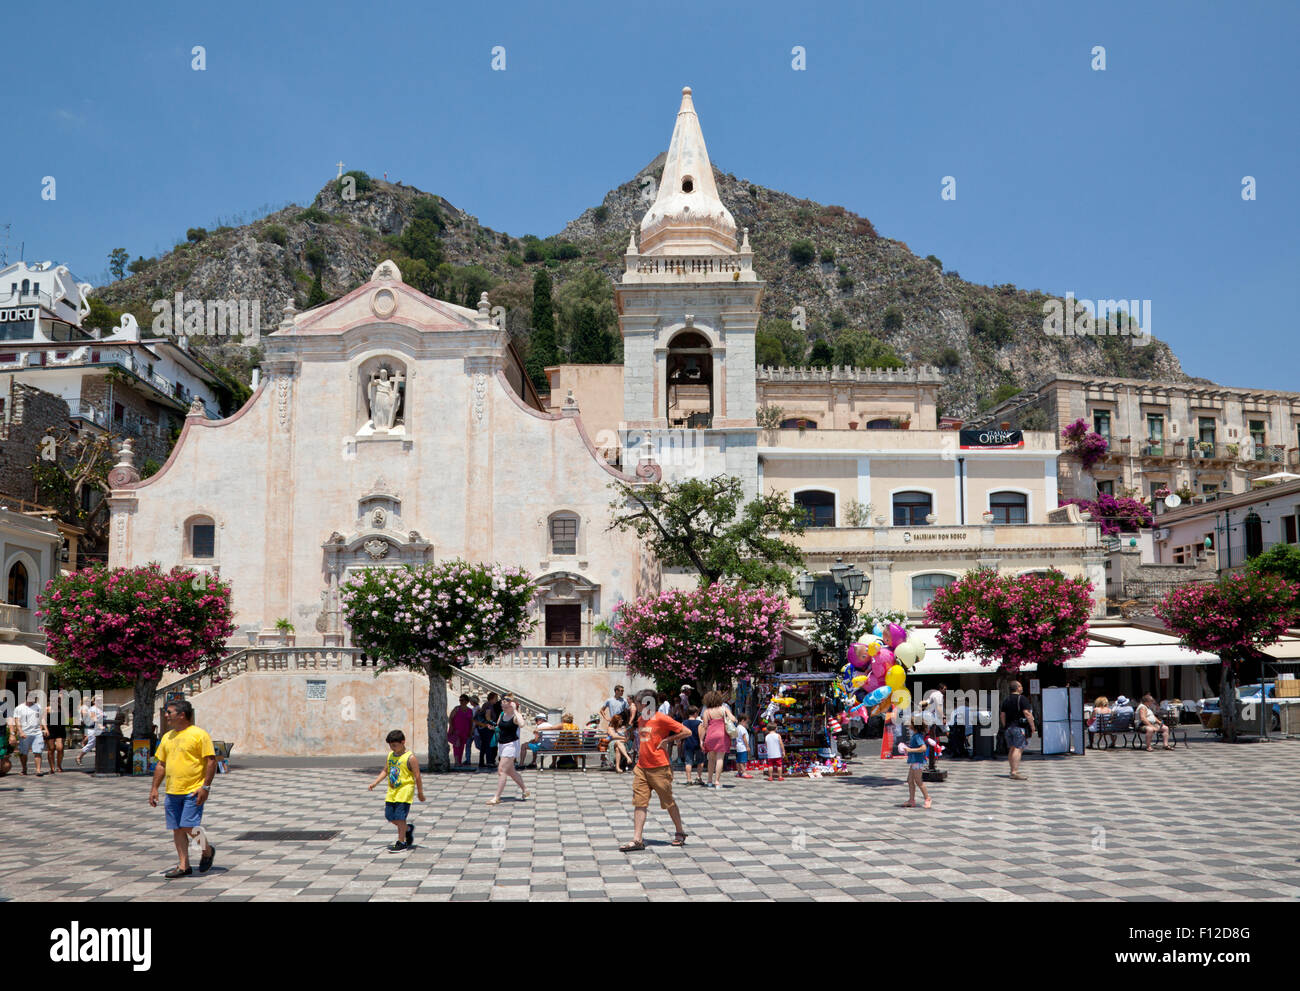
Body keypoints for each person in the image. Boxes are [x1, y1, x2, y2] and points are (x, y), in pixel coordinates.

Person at [148, 700, 216, 878]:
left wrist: (205, 787)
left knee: (188, 825)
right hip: (172, 791)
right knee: (177, 828)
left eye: (169, 712)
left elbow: (211, 761)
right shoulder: (167, 737)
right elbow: (161, 764)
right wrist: (154, 788)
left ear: (181, 715)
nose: (165, 715)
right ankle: (184, 865)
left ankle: (207, 850)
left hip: (193, 790)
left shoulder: (199, 735)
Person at [619, 705, 692, 852]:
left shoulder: (661, 718)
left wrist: (668, 739)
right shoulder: (640, 719)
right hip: (641, 767)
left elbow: (687, 731)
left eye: (637, 703)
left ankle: (680, 832)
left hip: (659, 767)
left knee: (668, 801)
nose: (635, 706)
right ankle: (637, 839)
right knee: (639, 802)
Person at [368, 729, 424, 850]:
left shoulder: (410, 758)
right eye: (390, 746)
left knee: (400, 817)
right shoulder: (390, 756)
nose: (392, 748)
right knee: (389, 815)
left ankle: (401, 842)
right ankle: (407, 829)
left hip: (405, 791)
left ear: (403, 742)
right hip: (392, 791)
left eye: (395, 745)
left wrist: (420, 792)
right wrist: (375, 782)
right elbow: (386, 770)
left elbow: (417, 775)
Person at [488, 697, 529, 804]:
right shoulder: (502, 714)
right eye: (502, 705)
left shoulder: (515, 717)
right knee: (511, 771)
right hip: (502, 744)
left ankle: (497, 797)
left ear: (511, 705)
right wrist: (493, 728)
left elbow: (522, 724)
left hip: (511, 745)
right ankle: (525, 789)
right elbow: (498, 727)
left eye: (505, 705)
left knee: (501, 770)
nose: (503, 707)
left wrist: (515, 710)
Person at [999, 681, 1036, 781]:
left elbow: (1002, 715)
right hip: (1019, 727)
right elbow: (1027, 713)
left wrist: (1005, 726)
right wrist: (1032, 726)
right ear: (1018, 688)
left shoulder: (1006, 700)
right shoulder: (1022, 699)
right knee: (1018, 749)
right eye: (1021, 686)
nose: (1022, 688)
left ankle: (1012, 770)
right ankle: (1014, 772)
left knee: (1012, 749)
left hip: (1008, 728)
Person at [699, 691, 734, 788]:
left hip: (711, 735)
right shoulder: (724, 709)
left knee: (711, 758)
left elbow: (704, 726)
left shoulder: (707, 711)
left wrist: (701, 740)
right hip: (722, 735)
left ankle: (709, 780)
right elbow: (733, 719)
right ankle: (717, 781)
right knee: (720, 759)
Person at [900, 714, 933, 809]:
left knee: (918, 781)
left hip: (918, 762)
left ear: (914, 726)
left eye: (910, 723)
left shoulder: (917, 736)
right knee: (910, 780)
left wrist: (910, 750)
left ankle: (927, 798)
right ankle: (911, 800)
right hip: (914, 761)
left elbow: (923, 748)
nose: (908, 725)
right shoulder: (915, 736)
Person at [12, 692, 47, 776]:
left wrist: (45, 728)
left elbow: (41, 718)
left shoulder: (38, 707)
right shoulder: (19, 708)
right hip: (25, 733)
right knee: (23, 753)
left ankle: (38, 770)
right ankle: (24, 769)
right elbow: (17, 721)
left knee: (38, 751)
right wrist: (20, 731)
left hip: (37, 733)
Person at [475, 693, 501, 767]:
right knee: (489, 744)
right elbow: (488, 716)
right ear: (492, 698)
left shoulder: (486, 704)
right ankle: (489, 762)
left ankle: (482, 762)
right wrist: (493, 723)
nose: (497, 699)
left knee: (484, 745)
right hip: (487, 728)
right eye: (496, 698)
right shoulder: (489, 705)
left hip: (482, 728)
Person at [76, 697, 104, 766]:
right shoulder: (92, 709)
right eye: (98, 700)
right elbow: (93, 717)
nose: (100, 701)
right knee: (91, 744)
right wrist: (99, 725)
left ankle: (100, 762)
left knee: (100, 745)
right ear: (94, 702)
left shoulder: (100, 709)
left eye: (101, 700)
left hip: (99, 729)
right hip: (93, 729)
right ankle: (79, 757)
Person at [449, 694, 475, 766]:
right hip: (456, 730)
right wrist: (451, 726)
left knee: (462, 746)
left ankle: (459, 762)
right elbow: (450, 718)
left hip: (465, 731)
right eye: (460, 700)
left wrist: (471, 731)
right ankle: (456, 762)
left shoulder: (470, 711)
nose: (461, 701)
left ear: (467, 701)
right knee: (456, 745)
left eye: (462, 700)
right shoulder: (456, 709)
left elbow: (471, 721)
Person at [44, 694, 67, 773]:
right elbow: (43, 720)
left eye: (56, 700)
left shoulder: (62, 708)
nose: (54, 702)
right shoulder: (47, 709)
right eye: (52, 700)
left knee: (60, 748)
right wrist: (45, 729)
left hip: (60, 729)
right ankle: (52, 767)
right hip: (50, 729)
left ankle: (59, 765)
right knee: (51, 749)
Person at [681, 706, 704, 785]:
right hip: (697, 744)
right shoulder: (699, 723)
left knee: (688, 762)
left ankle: (689, 779)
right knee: (700, 761)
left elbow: (682, 734)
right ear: (695, 713)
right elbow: (700, 735)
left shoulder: (684, 723)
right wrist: (701, 743)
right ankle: (698, 777)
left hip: (687, 744)